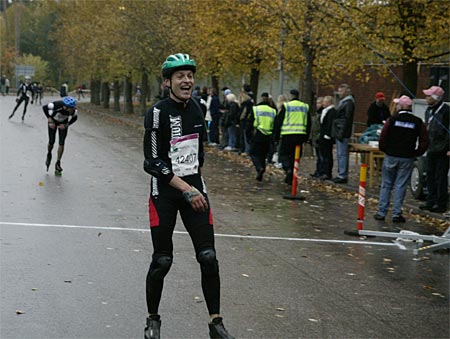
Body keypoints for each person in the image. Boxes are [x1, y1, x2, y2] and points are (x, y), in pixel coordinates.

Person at [142, 53, 234, 339]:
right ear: (167, 82)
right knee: (163, 261)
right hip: (166, 191)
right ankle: (153, 320)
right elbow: (152, 162)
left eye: (190, 75)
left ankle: (215, 323)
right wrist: (186, 188)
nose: (187, 80)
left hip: (194, 187)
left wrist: (197, 185)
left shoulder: (197, 107)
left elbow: (199, 152)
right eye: (180, 76)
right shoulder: (157, 113)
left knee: (208, 257)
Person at [373, 95, 428, 223]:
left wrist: (385, 149)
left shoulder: (392, 120)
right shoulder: (418, 122)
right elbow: (425, 140)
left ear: (403, 106)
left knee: (386, 184)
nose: (396, 106)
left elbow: (383, 136)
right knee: (401, 185)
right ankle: (396, 213)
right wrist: (417, 152)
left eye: (398, 104)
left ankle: (382, 212)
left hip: (391, 155)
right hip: (407, 157)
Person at [419, 86, 450, 213]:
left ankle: (441, 203)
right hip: (431, 148)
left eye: (428, 96)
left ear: (436, 98)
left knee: (440, 177)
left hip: (443, 149)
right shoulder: (429, 110)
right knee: (430, 175)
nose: (426, 98)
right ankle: (430, 201)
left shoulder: (446, 111)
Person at [273, 89, 311, 184]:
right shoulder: (305, 106)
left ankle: (288, 169)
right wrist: (306, 137)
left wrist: (276, 137)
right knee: (295, 156)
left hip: (287, 135)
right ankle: (292, 175)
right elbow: (309, 123)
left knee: (283, 155)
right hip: (300, 136)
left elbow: (279, 122)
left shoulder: (286, 106)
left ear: (291, 96)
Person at [42, 96, 79, 175]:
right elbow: (44, 108)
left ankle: (58, 163)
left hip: (63, 123)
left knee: (61, 143)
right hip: (53, 122)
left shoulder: (73, 111)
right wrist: (49, 119)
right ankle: (49, 153)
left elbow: (75, 118)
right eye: (71, 108)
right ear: (65, 106)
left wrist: (66, 125)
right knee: (52, 141)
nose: (72, 110)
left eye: (73, 108)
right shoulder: (55, 105)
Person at [249, 92, 276, 181]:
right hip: (268, 135)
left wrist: (249, 135)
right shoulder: (273, 111)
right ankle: (262, 169)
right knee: (263, 155)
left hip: (257, 133)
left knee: (253, 153)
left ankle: (259, 168)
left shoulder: (256, 109)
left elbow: (250, 123)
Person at [331, 83, 355, 184]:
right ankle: (341, 173)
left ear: (346, 91)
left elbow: (346, 119)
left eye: (341, 91)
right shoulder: (344, 102)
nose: (339, 93)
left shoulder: (348, 103)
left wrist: (341, 132)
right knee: (340, 153)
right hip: (340, 130)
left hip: (342, 131)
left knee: (342, 154)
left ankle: (342, 174)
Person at [318, 96, 336, 180]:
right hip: (323, 136)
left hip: (327, 137)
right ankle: (323, 171)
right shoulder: (325, 111)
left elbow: (330, 124)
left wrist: (328, 134)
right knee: (324, 154)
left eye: (325, 102)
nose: (323, 103)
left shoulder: (331, 112)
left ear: (329, 102)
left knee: (327, 155)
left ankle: (327, 173)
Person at [310, 97, 324, 178]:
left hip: (318, 137)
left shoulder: (321, 114)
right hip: (315, 137)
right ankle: (318, 171)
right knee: (318, 156)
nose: (317, 105)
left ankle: (320, 171)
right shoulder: (316, 113)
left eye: (319, 103)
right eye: (317, 103)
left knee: (321, 156)